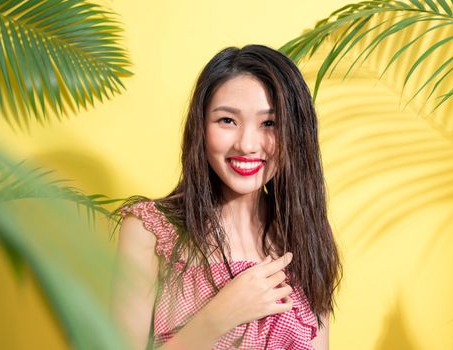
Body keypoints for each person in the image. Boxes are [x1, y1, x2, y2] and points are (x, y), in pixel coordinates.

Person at [112, 44, 342, 350]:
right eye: (227, 120)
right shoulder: (150, 231)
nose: (247, 144)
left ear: (294, 134)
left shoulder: (304, 237)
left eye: (269, 123)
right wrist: (219, 316)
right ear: (200, 127)